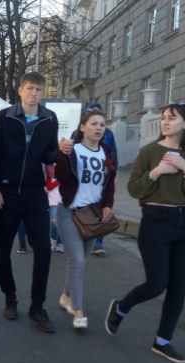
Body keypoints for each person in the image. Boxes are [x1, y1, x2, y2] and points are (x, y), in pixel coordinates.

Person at [105, 102, 185, 363]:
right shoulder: (149, 152)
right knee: (156, 283)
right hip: (156, 222)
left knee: (177, 287)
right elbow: (135, 190)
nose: (165, 122)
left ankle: (163, 340)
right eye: (163, 118)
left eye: (171, 119)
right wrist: (157, 171)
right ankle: (121, 307)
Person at [0, 71, 60, 333]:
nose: (34, 94)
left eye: (39, 90)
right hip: (5, 193)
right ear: (20, 90)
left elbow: (49, 155)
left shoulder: (49, 118)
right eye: (30, 89)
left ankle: (37, 306)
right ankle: (10, 297)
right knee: (2, 249)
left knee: (43, 248)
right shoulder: (5, 117)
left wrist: (60, 151)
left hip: (34, 192)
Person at [54, 110, 116, 329]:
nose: (99, 128)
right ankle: (78, 310)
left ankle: (66, 296)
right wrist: (61, 153)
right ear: (82, 127)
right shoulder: (73, 150)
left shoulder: (106, 151)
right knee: (77, 261)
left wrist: (108, 205)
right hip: (69, 212)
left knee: (82, 261)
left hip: (94, 215)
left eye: (102, 124)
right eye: (94, 124)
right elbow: (60, 176)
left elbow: (110, 182)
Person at [85, 103, 119, 256]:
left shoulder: (109, 134)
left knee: (102, 209)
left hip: (102, 178)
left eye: (101, 122)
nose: (98, 126)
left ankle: (98, 243)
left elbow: (114, 155)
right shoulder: (77, 134)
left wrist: (114, 174)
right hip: (84, 181)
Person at [45, 164, 64, 253]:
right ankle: (53, 240)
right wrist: (58, 180)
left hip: (63, 202)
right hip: (53, 202)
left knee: (61, 224)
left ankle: (60, 243)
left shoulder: (65, 176)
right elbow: (49, 187)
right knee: (54, 223)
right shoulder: (50, 177)